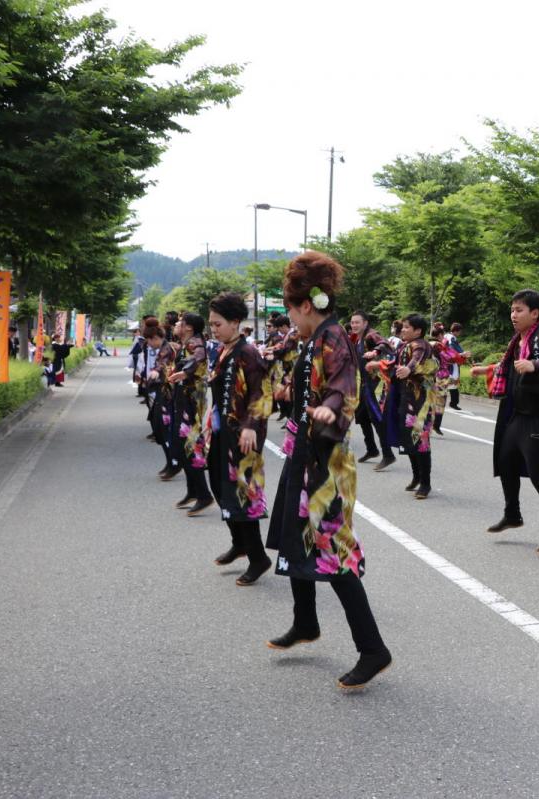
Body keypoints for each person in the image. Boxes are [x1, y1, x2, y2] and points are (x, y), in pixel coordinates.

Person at [264, 252, 392, 690]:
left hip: (328, 457)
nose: (289, 319)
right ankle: (305, 622)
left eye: (289, 309)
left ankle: (373, 649)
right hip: (307, 451)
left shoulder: (334, 338)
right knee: (295, 537)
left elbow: (344, 387)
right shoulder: (316, 337)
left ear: (304, 305)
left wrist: (327, 408)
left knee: (333, 551)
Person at [471, 290, 539, 557]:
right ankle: (512, 514)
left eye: (519, 310)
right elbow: (510, 367)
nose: (513, 315)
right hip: (517, 414)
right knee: (505, 461)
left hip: (538, 416)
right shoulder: (519, 339)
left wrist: (536, 364)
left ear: (535, 313)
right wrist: (490, 369)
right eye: (512, 310)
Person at [207, 292, 273, 586]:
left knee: (243, 495)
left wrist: (250, 425)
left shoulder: (248, 353)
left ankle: (258, 557)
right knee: (221, 488)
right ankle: (240, 542)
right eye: (211, 324)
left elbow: (262, 392)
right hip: (224, 433)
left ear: (235, 322)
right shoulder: (223, 351)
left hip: (243, 437)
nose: (214, 329)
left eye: (218, 323)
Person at [371, 314, 437, 498]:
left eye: (407, 327)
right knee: (408, 439)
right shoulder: (403, 345)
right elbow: (395, 363)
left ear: (418, 331)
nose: (403, 329)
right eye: (403, 326)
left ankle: (426, 483)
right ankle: (417, 476)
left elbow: (416, 360)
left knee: (421, 441)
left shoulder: (420, 345)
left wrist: (409, 368)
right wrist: (377, 363)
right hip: (405, 400)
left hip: (420, 403)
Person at [166, 313, 214, 516]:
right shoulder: (185, 342)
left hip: (191, 402)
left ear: (188, 327)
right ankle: (193, 491)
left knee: (190, 445)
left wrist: (185, 372)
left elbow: (200, 356)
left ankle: (204, 495)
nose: (176, 325)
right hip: (184, 399)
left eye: (179, 323)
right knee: (183, 444)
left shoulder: (196, 343)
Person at [348, 310, 395, 468]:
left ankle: (388, 454)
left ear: (365, 323)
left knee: (376, 418)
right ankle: (372, 449)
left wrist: (375, 351)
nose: (354, 325)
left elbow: (385, 344)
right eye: (352, 322)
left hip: (372, 385)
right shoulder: (357, 338)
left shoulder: (371, 335)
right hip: (361, 384)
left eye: (357, 322)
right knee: (361, 417)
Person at [144, 324, 181, 480]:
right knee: (160, 428)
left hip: (168, 393)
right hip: (164, 391)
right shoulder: (166, 347)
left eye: (149, 341)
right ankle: (171, 462)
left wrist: (155, 372)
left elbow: (162, 364)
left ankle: (174, 462)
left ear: (155, 338)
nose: (149, 344)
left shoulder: (167, 349)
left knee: (163, 429)